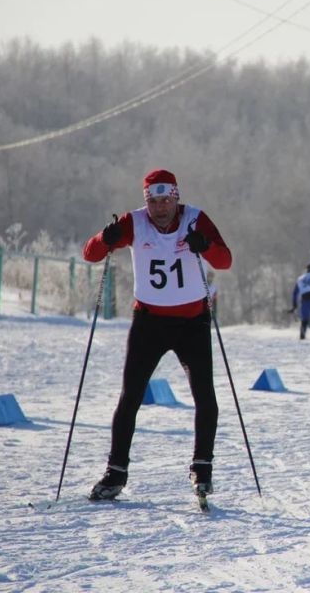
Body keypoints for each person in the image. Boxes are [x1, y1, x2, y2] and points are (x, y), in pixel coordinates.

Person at [82, 169, 232, 501]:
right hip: (149, 322)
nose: (161, 209)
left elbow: (224, 261)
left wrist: (204, 246)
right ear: (146, 201)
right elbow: (90, 254)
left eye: (166, 200)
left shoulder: (196, 219)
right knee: (129, 397)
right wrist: (105, 239)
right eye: (154, 201)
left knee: (205, 396)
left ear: (176, 198)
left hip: (192, 323)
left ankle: (202, 468)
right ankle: (115, 472)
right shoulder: (134, 223)